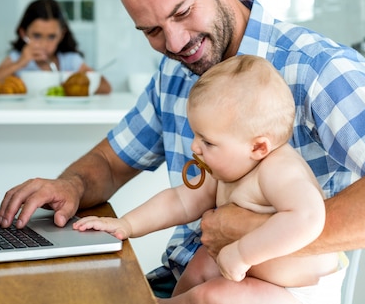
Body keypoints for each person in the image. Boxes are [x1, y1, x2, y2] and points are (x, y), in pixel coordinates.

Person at [0, 0, 365, 301]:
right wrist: (71, 184)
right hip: (179, 280)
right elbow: (112, 162)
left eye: (181, 12)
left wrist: (253, 235)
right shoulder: (177, 71)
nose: (174, 43)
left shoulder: (315, 67)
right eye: (151, 30)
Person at [74, 55, 346, 303]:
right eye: (195, 135)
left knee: (213, 295)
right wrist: (126, 225)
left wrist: (242, 254)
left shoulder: (279, 170)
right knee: (201, 263)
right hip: (251, 277)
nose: (194, 147)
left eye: (207, 141)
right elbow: (179, 201)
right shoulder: (232, 167)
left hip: (298, 293)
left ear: (258, 147)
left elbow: (309, 217)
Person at [0, 0, 111, 94]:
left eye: (51, 37)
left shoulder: (70, 61)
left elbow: (106, 88)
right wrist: (20, 63)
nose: (44, 44)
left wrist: (74, 84)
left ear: (61, 35)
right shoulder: (16, 58)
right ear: (23, 34)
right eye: (37, 36)